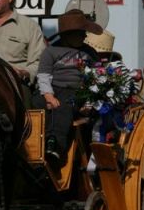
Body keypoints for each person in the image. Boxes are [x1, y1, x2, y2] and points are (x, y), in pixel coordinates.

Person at [34, 9, 102, 164]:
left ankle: (56, 147)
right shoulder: (51, 51)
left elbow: (97, 77)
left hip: (76, 91)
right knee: (37, 104)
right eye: (81, 33)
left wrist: (89, 101)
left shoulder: (89, 52)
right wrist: (48, 95)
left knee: (64, 106)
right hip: (52, 88)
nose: (85, 36)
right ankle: (37, 146)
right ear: (68, 34)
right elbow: (43, 75)